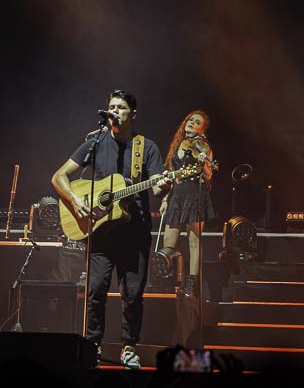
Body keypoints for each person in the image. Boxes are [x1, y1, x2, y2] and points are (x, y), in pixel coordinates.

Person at [52, 90, 171, 369]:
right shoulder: (95, 143)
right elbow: (59, 176)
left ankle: (129, 346)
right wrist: (75, 200)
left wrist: (164, 184)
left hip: (135, 232)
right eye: (111, 107)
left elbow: (155, 185)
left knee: (132, 295)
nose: (115, 110)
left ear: (132, 114)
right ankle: (92, 345)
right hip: (101, 233)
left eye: (120, 107)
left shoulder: (147, 147)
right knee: (95, 291)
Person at [154, 110, 216, 298]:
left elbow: (208, 176)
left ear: (202, 129)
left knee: (193, 241)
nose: (192, 122)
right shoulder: (178, 144)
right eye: (190, 119)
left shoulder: (203, 147)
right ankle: (170, 279)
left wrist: (204, 162)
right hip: (176, 196)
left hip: (195, 194)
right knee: (168, 243)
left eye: (197, 122)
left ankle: (191, 284)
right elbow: (171, 174)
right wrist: (165, 199)